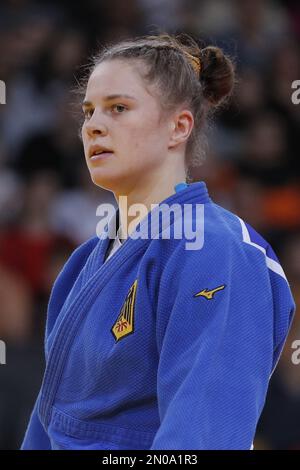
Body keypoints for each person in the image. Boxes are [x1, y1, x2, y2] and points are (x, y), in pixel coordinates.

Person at [21, 33, 295, 450]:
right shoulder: (80, 262)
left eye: (118, 108)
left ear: (178, 127)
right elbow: (51, 424)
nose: (93, 125)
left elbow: (201, 437)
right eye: (88, 111)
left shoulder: (217, 249)